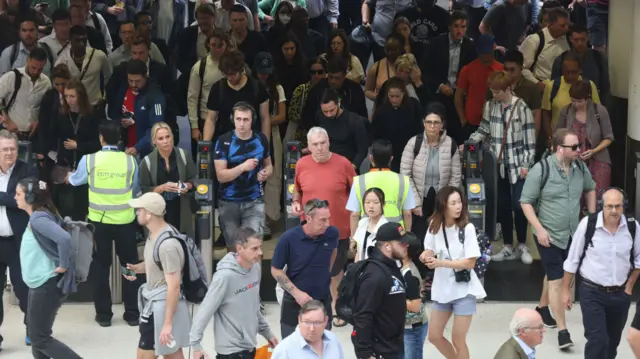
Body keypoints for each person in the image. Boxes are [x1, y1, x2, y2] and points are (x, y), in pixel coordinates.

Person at [520, 128, 596, 350]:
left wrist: (590, 218)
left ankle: (543, 308)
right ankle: (563, 331)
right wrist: (539, 229)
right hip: (548, 235)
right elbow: (526, 202)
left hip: (573, 233)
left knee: (560, 275)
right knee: (557, 279)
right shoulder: (541, 170)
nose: (579, 150)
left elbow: (590, 189)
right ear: (560, 149)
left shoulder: (580, 167)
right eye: (574, 147)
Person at [67, 120, 141, 327]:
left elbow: (75, 181)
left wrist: (67, 176)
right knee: (130, 267)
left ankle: (104, 315)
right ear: (119, 139)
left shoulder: (89, 160)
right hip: (126, 222)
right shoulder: (130, 162)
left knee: (101, 268)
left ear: (101, 138)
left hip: (99, 223)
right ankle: (132, 313)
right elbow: (135, 191)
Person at [562, 188, 640, 359]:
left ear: (624, 206)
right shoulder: (588, 225)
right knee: (597, 340)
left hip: (620, 294)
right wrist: (566, 291)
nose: (613, 211)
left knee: (612, 342)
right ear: (601, 206)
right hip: (592, 292)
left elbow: (638, 260)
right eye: (609, 206)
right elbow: (572, 260)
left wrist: (629, 287)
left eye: (618, 206)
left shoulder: (633, 227)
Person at [468, 71, 536, 264]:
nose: (494, 95)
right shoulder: (490, 106)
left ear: (508, 88)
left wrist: (526, 164)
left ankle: (522, 244)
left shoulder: (522, 108)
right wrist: (470, 142)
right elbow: (484, 128)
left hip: (518, 166)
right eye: (492, 91)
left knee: (520, 205)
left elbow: (530, 140)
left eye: (497, 92)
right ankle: (507, 246)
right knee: (503, 206)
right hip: (499, 166)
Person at [291, 127, 356, 327]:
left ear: (329, 142)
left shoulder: (343, 163)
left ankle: (338, 309)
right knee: (311, 270)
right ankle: (314, 310)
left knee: (336, 271)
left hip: (338, 228)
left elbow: (357, 193)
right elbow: (298, 191)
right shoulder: (301, 165)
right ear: (308, 147)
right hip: (310, 229)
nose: (319, 148)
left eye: (323, 143)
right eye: (315, 144)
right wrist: (295, 201)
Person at [16, 178, 83, 359]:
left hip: (46, 285)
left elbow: (63, 239)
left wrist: (62, 265)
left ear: (30, 198)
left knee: (40, 338)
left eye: (19, 194)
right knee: (37, 335)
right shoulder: (42, 214)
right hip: (39, 284)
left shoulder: (38, 218)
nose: (15, 197)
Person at [419, 186, 487, 359]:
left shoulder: (467, 228)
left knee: (458, 338)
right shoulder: (434, 226)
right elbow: (429, 249)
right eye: (453, 203)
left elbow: (470, 262)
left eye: (460, 202)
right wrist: (425, 256)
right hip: (443, 289)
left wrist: (440, 263)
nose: (458, 207)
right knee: (434, 336)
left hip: (464, 290)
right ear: (443, 206)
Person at [190, 227, 279, 358]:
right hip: (231, 351)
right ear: (239, 249)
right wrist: (196, 344)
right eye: (254, 248)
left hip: (249, 346)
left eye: (260, 247)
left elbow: (254, 307)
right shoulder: (224, 277)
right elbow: (205, 310)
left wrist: (268, 333)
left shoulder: (255, 269)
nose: (260, 252)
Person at [125, 192, 191, 359]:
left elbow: (174, 287)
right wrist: (136, 269)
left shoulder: (167, 245)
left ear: (149, 214)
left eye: (139, 210)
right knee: (172, 353)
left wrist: (167, 323)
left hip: (160, 308)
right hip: (159, 306)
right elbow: (155, 265)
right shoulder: (154, 235)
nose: (136, 213)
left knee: (145, 355)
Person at [271, 198, 340, 339]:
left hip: (322, 300)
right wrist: (297, 293)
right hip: (294, 303)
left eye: (329, 219)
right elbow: (275, 270)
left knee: (322, 346)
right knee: (291, 348)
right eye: (322, 220)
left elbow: (333, 252)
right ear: (308, 218)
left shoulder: (332, 234)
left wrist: (325, 274)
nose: (327, 224)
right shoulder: (288, 238)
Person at [214, 102, 273, 247]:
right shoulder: (223, 141)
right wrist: (243, 167)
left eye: (245, 120)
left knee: (253, 247)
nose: (241, 124)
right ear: (232, 119)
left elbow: (269, 165)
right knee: (234, 249)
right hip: (228, 202)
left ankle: (254, 271)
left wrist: (266, 173)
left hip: (254, 201)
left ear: (252, 120)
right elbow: (220, 176)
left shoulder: (261, 139)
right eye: (238, 119)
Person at [401, 103, 462, 242]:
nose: (432, 126)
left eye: (436, 122)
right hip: (420, 197)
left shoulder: (451, 144)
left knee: (441, 237)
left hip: (441, 197)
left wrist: (447, 201)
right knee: (420, 237)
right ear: (424, 123)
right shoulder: (414, 143)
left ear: (442, 125)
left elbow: (455, 176)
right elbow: (405, 174)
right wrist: (415, 201)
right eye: (429, 122)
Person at [0, 130, 38, 348]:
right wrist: (11, 198)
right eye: (4, 149)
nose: (9, 153)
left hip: (19, 242)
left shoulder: (28, 169)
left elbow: (27, 199)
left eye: (12, 149)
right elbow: (15, 199)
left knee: (24, 290)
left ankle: (32, 329)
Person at [352, 221, 409, 359]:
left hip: (393, 347)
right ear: (387, 246)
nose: (406, 245)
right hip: (380, 352)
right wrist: (365, 353)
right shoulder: (375, 275)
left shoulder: (390, 267)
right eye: (401, 243)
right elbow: (363, 315)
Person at [421, 10, 477, 144]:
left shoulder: (470, 46)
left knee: (459, 135)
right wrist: (439, 86)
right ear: (449, 27)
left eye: (463, 27)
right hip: (439, 94)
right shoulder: (436, 43)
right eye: (456, 26)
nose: (460, 31)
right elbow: (425, 70)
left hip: (460, 95)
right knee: (436, 131)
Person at [49, 79, 101, 221]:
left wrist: (79, 145)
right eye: (66, 96)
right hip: (65, 164)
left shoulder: (92, 115)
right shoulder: (61, 114)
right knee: (65, 208)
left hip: (85, 166)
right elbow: (52, 135)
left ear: (80, 96)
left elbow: (98, 143)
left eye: (72, 96)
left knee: (81, 208)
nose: (69, 100)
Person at [555, 80, 613, 197]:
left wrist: (594, 151)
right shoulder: (566, 111)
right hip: (572, 162)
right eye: (573, 100)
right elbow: (558, 135)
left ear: (588, 98)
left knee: (598, 197)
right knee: (575, 198)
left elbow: (609, 137)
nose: (575, 104)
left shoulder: (599, 111)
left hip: (598, 160)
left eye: (579, 101)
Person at [139, 122, 197, 238]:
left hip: (181, 208)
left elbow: (194, 179)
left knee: (182, 242)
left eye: (168, 136)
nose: (166, 141)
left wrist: (187, 185)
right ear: (154, 141)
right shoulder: (147, 162)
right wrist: (162, 188)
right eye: (161, 138)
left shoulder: (183, 155)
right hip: (158, 210)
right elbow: (144, 191)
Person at [347, 139, 415, 231]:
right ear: (391, 159)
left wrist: (353, 240)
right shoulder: (403, 180)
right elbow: (407, 213)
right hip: (396, 232)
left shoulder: (359, 181)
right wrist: (407, 236)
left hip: (368, 232)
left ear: (371, 158)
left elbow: (355, 214)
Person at [371, 77, 424, 173]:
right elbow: (374, 134)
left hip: (410, 153)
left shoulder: (413, 106)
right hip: (388, 155)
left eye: (397, 96)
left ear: (403, 93)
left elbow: (420, 131)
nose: (394, 99)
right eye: (391, 96)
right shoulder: (381, 111)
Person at [307, 88, 369, 168]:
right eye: (325, 111)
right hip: (324, 165)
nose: (328, 114)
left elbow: (362, 150)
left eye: (331, 110)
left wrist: (351, 167)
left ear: (338, 103)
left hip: (347, 166)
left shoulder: (354, 121)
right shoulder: (319, 116)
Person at [0, 47, 51, 140]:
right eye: (33, 67)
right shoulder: (12, 77)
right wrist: (7, 120)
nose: (36, 71)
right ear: (28, 60)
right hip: (10, 133)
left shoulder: (46, 82)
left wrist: (39, 122)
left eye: (40, 69)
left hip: (34, 135)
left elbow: (47, 108)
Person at [272, 300, 345, 359]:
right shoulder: (284, 350)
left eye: (317, 323)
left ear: (325, 321)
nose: (312, 329)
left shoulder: (333, 339)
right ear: (299, 320)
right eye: (307, 322)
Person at [288, 57, 327, 147]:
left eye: (320, 72)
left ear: (325, 73)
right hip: (303, 136)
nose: (316, 75)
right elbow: (292, 114)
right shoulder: (301, 90)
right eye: (313, 72)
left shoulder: (331, 91)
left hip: (326, 135)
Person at [402, 234, 429, 359]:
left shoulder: (410, 274)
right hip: (403, 326)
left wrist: (391, 300)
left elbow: (415, 306)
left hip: (412, 328)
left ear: (405, 250)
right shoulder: (400, 267)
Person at [352, 187, 388, 262]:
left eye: (376, 202)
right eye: (367, 202)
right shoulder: (362, 223)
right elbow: (359, 252)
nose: (371, 206)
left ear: (383, 204)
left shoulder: (386, 227)